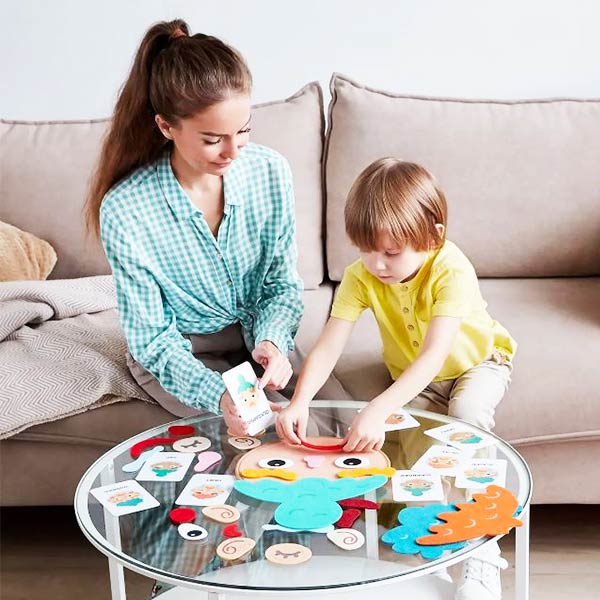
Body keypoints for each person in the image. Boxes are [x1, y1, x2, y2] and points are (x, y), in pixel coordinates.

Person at [276, 158, 516, 600]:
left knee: (465, 418)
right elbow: (329, 344)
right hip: (416, 380)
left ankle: (482, 552)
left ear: (434, 237)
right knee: (412, 451)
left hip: (477, 365)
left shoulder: (451, 269)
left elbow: (433, 355)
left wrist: (378, 406)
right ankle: (436, 546)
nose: (377, 265)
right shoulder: (361, 275)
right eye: (367, 250)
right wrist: (300, 401)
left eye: (391, 253)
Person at [86, 19, 304, 436]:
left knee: (318, 421)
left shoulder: (270, 171)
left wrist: (274, 342)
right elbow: (153, 340)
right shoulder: (127, 209)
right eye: (212, 139)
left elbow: (281, 284)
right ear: (167, 127)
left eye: (242, 131)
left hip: (257, 337)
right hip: (183, 352)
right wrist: (220, 396)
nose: (232, 151)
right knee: (255, 435)